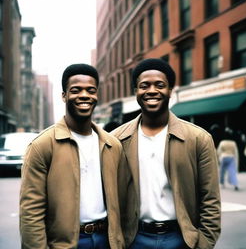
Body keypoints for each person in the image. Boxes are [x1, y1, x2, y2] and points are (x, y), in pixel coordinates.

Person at [112, 58, 221, 249]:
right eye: (144, 85)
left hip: (181, 239)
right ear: (135, 91)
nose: (152, 90)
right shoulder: (116, 140)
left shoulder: (199, 138)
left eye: (160, 85)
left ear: (170, 90)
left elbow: (210, 199)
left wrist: (203, 243)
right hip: (134, 240)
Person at [20, 63, 125, 249]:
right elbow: (31, 213)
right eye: (76, 90)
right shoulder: (42, 145)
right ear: (64, 95)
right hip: (66, 244)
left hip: (107, 240)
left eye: (90, 90)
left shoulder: (112, 144)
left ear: (97, 95)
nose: (84, 95)